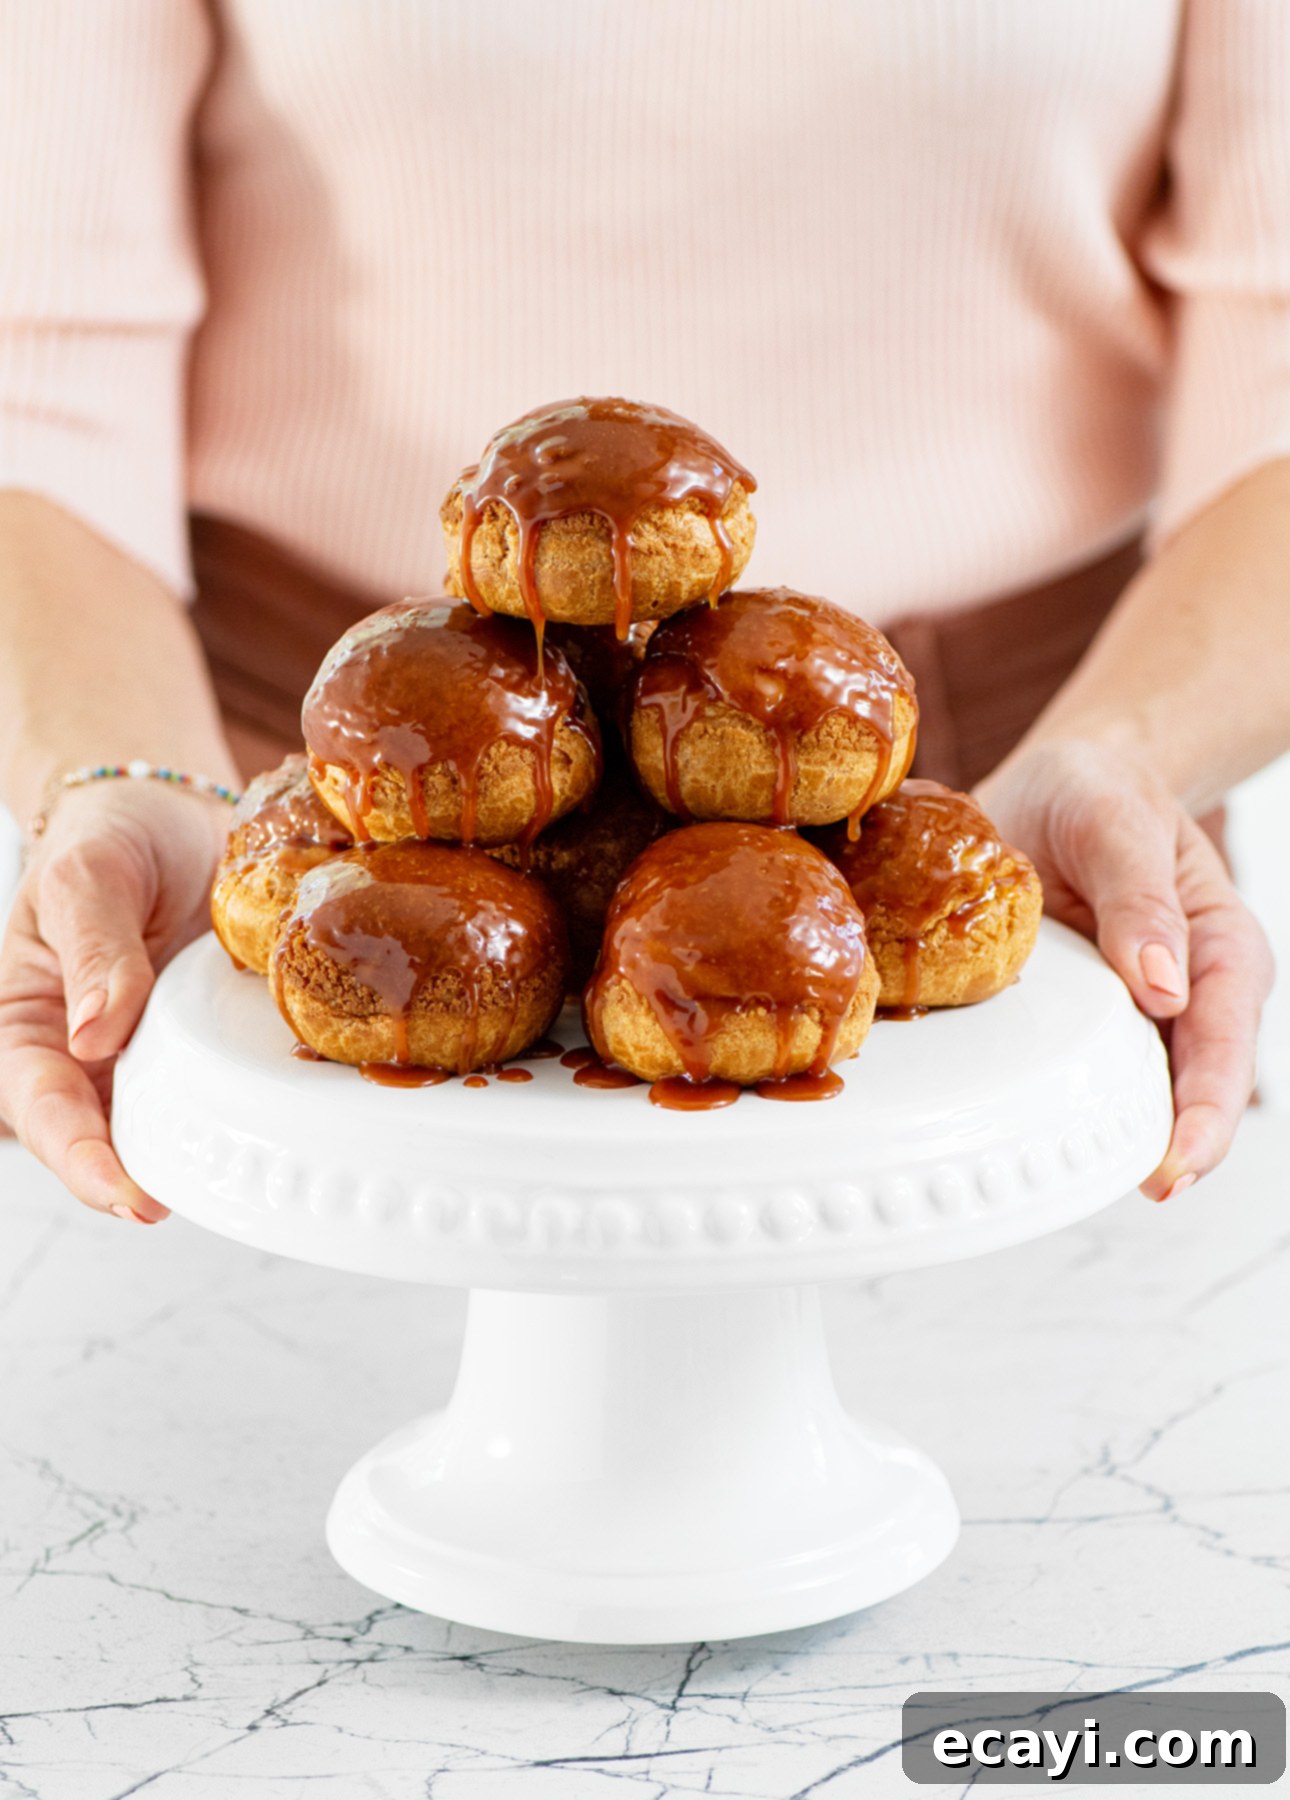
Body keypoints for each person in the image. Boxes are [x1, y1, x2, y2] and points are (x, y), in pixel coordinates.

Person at [0, 3, 1283, 1225]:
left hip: (1055, 790)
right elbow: (35, 382)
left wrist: (1125, 753)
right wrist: (114, 767)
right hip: (313, 783)